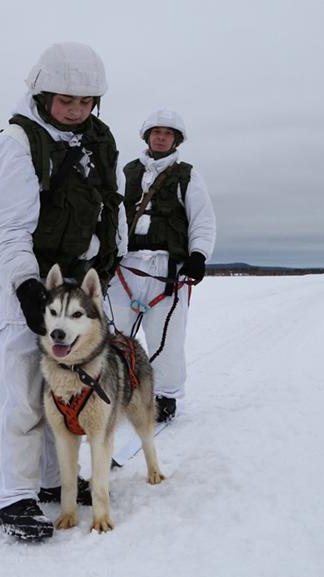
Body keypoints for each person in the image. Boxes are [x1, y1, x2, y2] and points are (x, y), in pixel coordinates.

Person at [0, 42, 127, 541]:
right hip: (31, 280)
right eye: (66, 100)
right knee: (22, 384)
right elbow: (5, 228)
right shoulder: (18, 144)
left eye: (85, 102)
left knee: (65, 385)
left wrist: (111, 259)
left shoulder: (95, 142)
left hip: (78, 284)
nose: (76, 110)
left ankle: (49, 481)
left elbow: (110, 206)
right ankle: (9, 496)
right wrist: (24, 286)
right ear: (41, 93)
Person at [106, 108, 216, 423]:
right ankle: (114, 389)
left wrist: (198, 255)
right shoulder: (125, 171)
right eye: (156, 132)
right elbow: (108, 213)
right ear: (147, 136)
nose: (161, 137)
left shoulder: (188, 175)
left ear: (176, 139)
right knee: (114, 333)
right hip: (124, 266)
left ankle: (165, 395)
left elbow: (203, 220)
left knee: (165, 338)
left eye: (167, 133)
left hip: (167, 270)